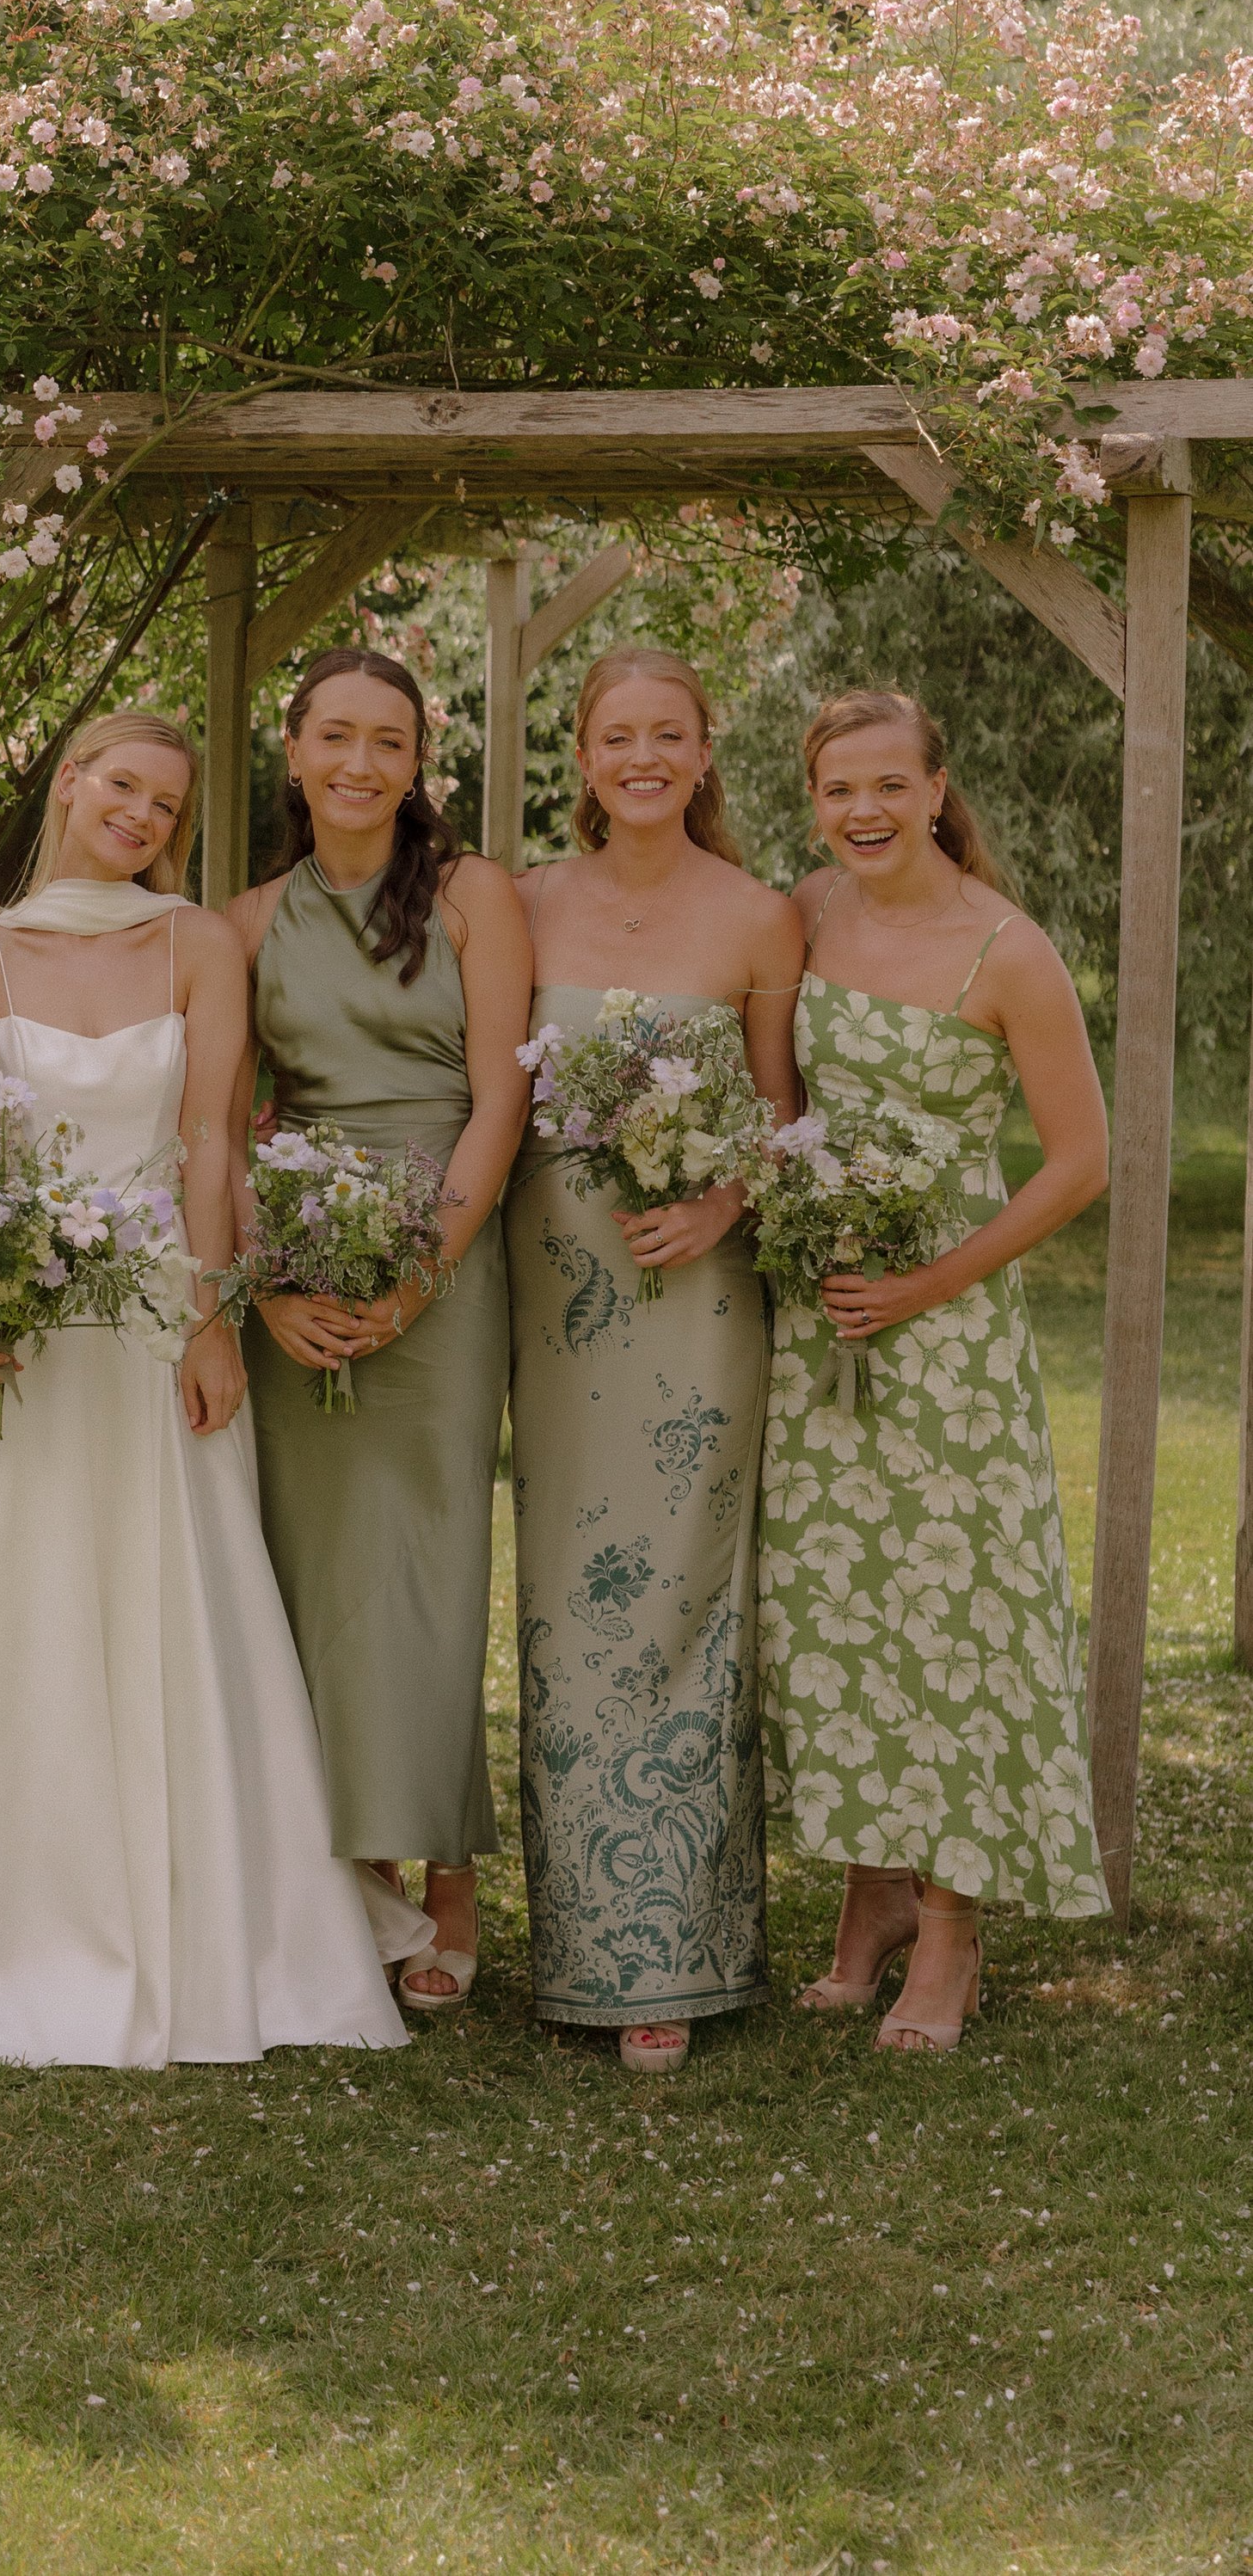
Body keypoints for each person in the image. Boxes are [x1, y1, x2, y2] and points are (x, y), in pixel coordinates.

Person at [0, 710, 430, 2067]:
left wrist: (210, 1319)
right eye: (124, 785)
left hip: (154, 1331)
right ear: (71, 783)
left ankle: (210, 1918)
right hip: (18, 1333)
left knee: (175, 1607)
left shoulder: (197, 945)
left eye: (169, 805)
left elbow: (210, 1139)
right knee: (0, 1613)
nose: (143, 815)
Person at [760, 687, 1111, 2052]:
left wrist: (924, 1282)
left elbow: (1078, 1162)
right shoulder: (812, 911)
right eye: (838, 788)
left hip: (946, 1334)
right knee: (837, 1608)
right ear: (815, 799)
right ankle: (870, 1899)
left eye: (888, 785)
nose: (863, 810)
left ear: (937, 783)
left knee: (954, 1614)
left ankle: (953, 1927)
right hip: (824, 1315)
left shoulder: (1006, 950)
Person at [508, 646, 803, 2071]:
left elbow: (782, 1115)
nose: (640, 755)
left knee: (686, 1593)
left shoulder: (760, 918)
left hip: (698, 1305)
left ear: (701, 753)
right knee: (568, 1598)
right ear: (583, 756)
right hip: (552, 1298)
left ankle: (673, 1958)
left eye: (665, 734)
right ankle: (572, 1938)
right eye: (615, 734)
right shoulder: (521, 902)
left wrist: (723, 1196)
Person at [230, 649, 531, 2012]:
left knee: (431, 1566)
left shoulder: (475, 899)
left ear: (421, 763)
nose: (360, 763)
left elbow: (498, 1101)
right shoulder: (238, 925)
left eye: (388, 742)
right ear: (292, 750)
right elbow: (226, 1127)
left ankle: (451, 1878)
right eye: (335, 737)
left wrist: (422, 1277)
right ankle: (345, 1886)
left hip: (444, 1254)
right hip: (296, 1261)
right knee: (306, 1575)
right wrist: (269, 1282)